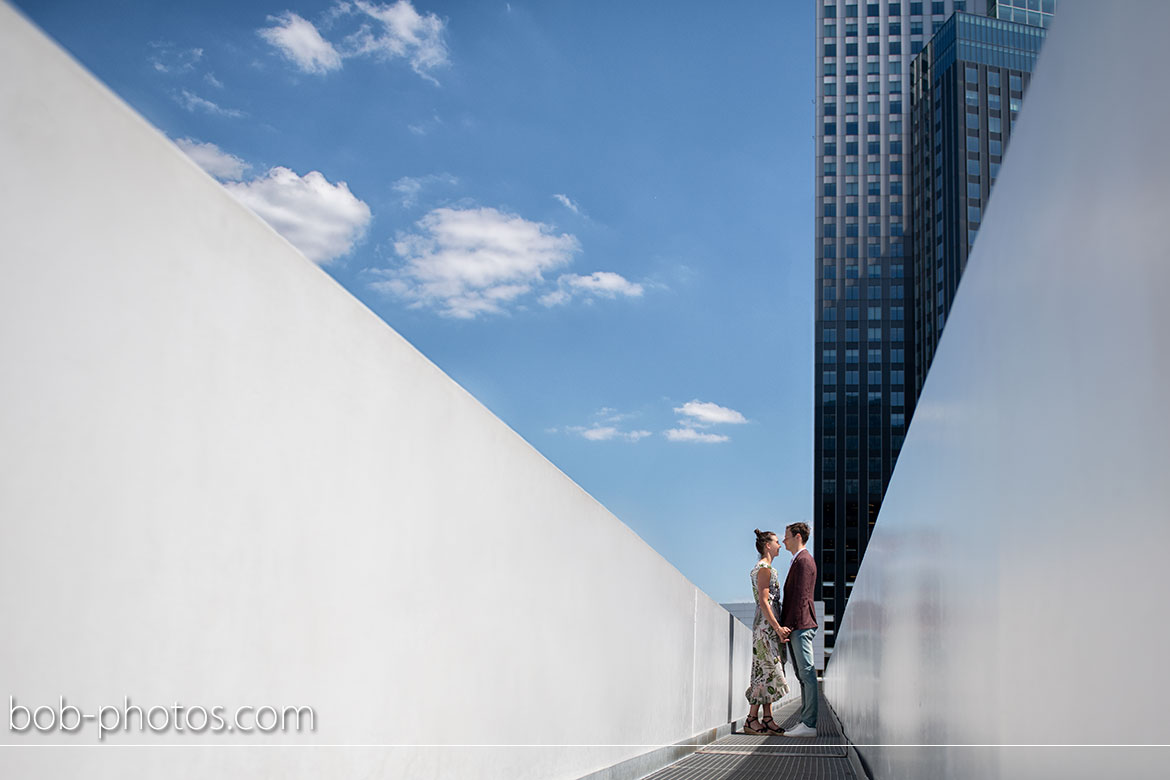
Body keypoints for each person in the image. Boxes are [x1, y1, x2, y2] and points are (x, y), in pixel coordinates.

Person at [743, 528, 790, 736]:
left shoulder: (767, 568)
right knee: (766, 670)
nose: (780, 545)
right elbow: (763, 601)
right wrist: (778, 628)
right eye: (777, 542)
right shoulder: (764, 569)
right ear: (767, 545)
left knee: (766, 671)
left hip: (767, 625)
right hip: (766, 627)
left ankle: (765, 718)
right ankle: (752, 719)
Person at [778, 522, 819, 738]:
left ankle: (810, 724)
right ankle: (805, 721)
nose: (783, 541)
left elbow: (801, 598)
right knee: (802, 674)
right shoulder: (799, 561)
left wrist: (789, 626)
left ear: (797, 536)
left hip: (800, 625)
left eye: (786, 536)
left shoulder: (803, 561)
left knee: (807, 673)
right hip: (798, 625)